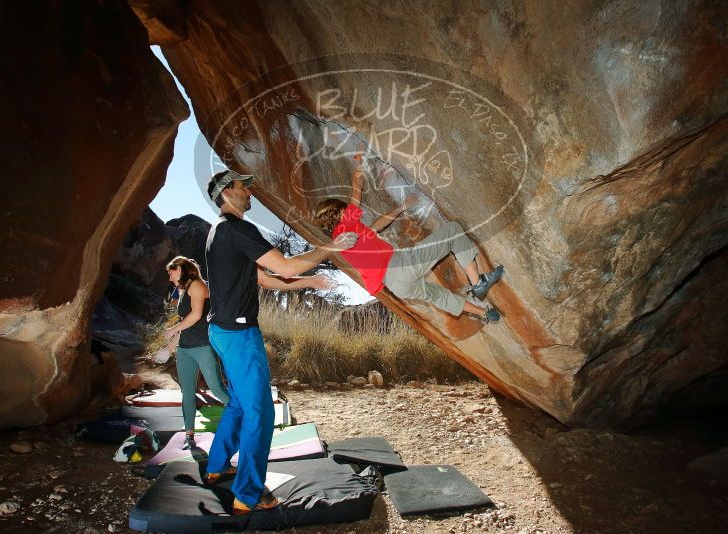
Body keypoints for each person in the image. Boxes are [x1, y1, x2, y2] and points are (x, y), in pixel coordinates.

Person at [204, 168, 357, 515]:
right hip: (239, 335)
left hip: (223, 332)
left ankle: (216, 466)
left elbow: (268, 279)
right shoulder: (238, 228)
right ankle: (248, 494)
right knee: (260, 411)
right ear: (228, 193)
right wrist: (331, 246)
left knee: (240, 405)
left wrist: (310, 282)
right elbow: (286, 267)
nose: (250, 193)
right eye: (244, 188)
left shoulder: (219, 232)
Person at [314, 154, 504, 323]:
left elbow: (376, 227)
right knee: (453, 231)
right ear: (338, 212)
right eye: (344, 209)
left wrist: (402, 206)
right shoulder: (345, 224)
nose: (348, 209)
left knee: (438, 296)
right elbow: (357, 187)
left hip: (397, 287)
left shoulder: (343, 242)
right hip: (400, 267)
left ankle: (485, 314)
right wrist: (358, 159)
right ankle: (478, 283)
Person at [158, 256, 230, 451]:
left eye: (170, 272)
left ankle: (246, 420)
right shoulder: (182, 291)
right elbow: (184, 325)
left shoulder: (197, 285)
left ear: (179, 269)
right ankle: (189, 435)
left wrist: (172, 329)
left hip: (203, 346)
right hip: (185, 349)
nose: (169, 277)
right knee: (187, 393)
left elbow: (197, 315)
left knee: (217, 390)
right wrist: (169, 348)